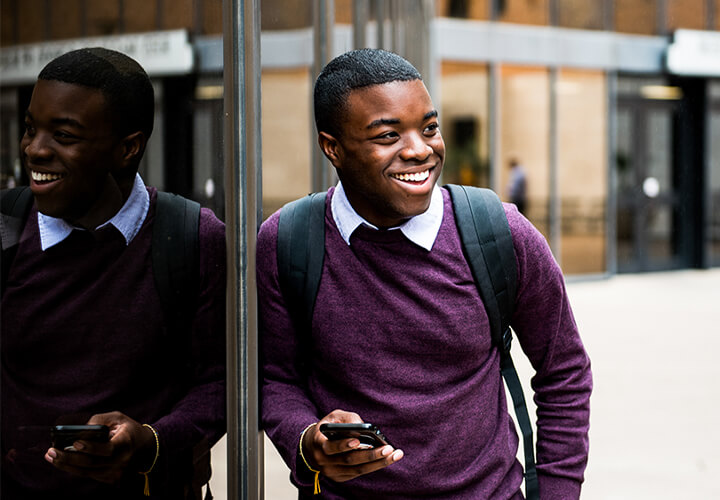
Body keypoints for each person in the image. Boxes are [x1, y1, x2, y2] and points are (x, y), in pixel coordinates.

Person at [257, 48, 592, 499]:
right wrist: (306, 440)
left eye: (429, 128)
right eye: (388, 135)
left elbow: (564, 371)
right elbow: (274, 379)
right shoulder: (288, 241)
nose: (419, 150)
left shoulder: (502, 234)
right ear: (332, 147)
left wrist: (555, 494)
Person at [0, 48, 226, 499]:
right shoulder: (4, 226)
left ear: (128, 148)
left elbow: (222, 384)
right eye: (30, 129)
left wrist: (151, 439)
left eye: (63, 135)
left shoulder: (191, 237)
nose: (34, 149)